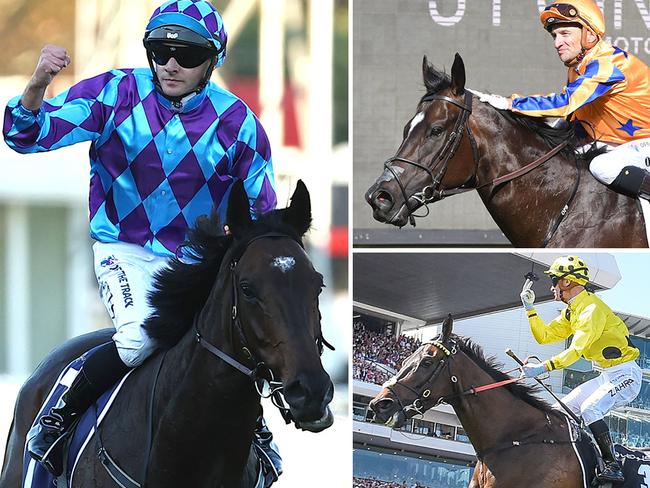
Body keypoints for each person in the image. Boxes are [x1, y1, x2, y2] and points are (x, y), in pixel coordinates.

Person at [3, 1, 281, 485]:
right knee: (142, 337)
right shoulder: (116, 93)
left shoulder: (239, 125)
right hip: (124, 250)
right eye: (161, 50)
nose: (171, 63)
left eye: (188, 53)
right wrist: (35, 88)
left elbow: (263, 218)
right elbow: (25, 136)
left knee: (230, 335)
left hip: (196, 261)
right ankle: (56, 418)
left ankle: (255, 431)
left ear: (212, 60)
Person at [478, 0, 650, 201]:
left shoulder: (607, 65)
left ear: (590, 34)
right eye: (554, 36)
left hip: (643, 143)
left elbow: (566, 103)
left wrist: (510, 103)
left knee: (603, 167)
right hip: (621, 143)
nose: (557, 43)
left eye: (565, 34)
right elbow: (573, 116)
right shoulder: (578, 66)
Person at [519, 255, 641, 483]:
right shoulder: (573, 310)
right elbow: (544, 336)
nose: (552, 286)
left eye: (554, 280)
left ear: (566, 282)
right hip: (607, 376)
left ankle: (613, 465)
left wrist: (542, 368)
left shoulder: (591, 309)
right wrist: (530, 309)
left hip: (627, 375)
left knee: (590, 409)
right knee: (558, 411)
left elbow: (575, 351)